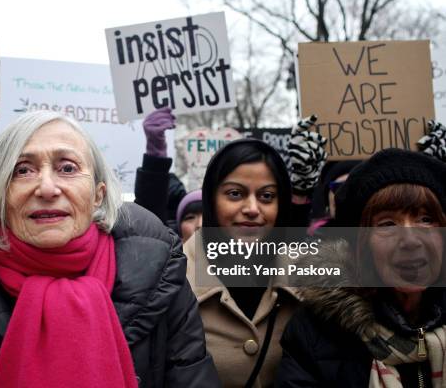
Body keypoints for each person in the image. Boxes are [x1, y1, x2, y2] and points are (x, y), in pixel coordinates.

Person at [0, 110, 219, 387]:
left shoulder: (160, 268)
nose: (46, 187)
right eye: (23, 170)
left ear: (98, 195)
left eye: (67, 168)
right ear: (0, 194)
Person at [275, 148, 446, 387]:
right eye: (387, 224)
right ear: (361, 246)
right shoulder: (314, 333)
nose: (411, 240)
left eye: (426, 220)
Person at [184, 138, 301, 387]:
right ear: (211, 200)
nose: (252, 208)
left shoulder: (308, 280)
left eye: (267, 196)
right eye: (235, 194)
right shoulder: (171, 282)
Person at [134, 107, 187, 233]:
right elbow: (150, 218)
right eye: (190, 217)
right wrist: (155, 150)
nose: (200, 224)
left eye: (206, 217)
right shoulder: (169, 245)